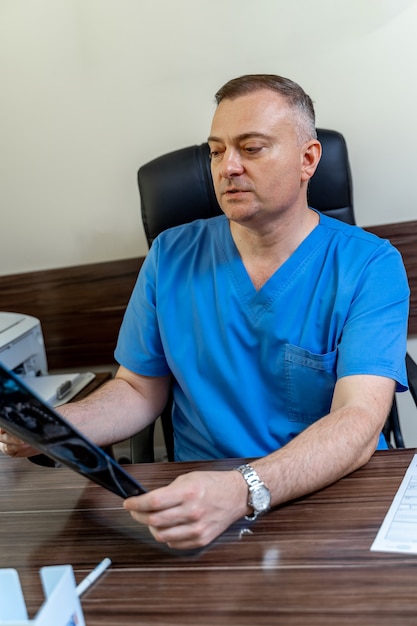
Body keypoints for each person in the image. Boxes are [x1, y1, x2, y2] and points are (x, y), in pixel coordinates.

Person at [0, 74, 410, 550]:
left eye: (251, 148)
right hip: (198, 496)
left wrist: (243, 489)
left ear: (308, 159)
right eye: (216, 151)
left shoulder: (370, 265)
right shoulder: (171, 255)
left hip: (335, 495)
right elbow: (137, 389)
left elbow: (358, 422)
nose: (227, 167)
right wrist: (57, 428)